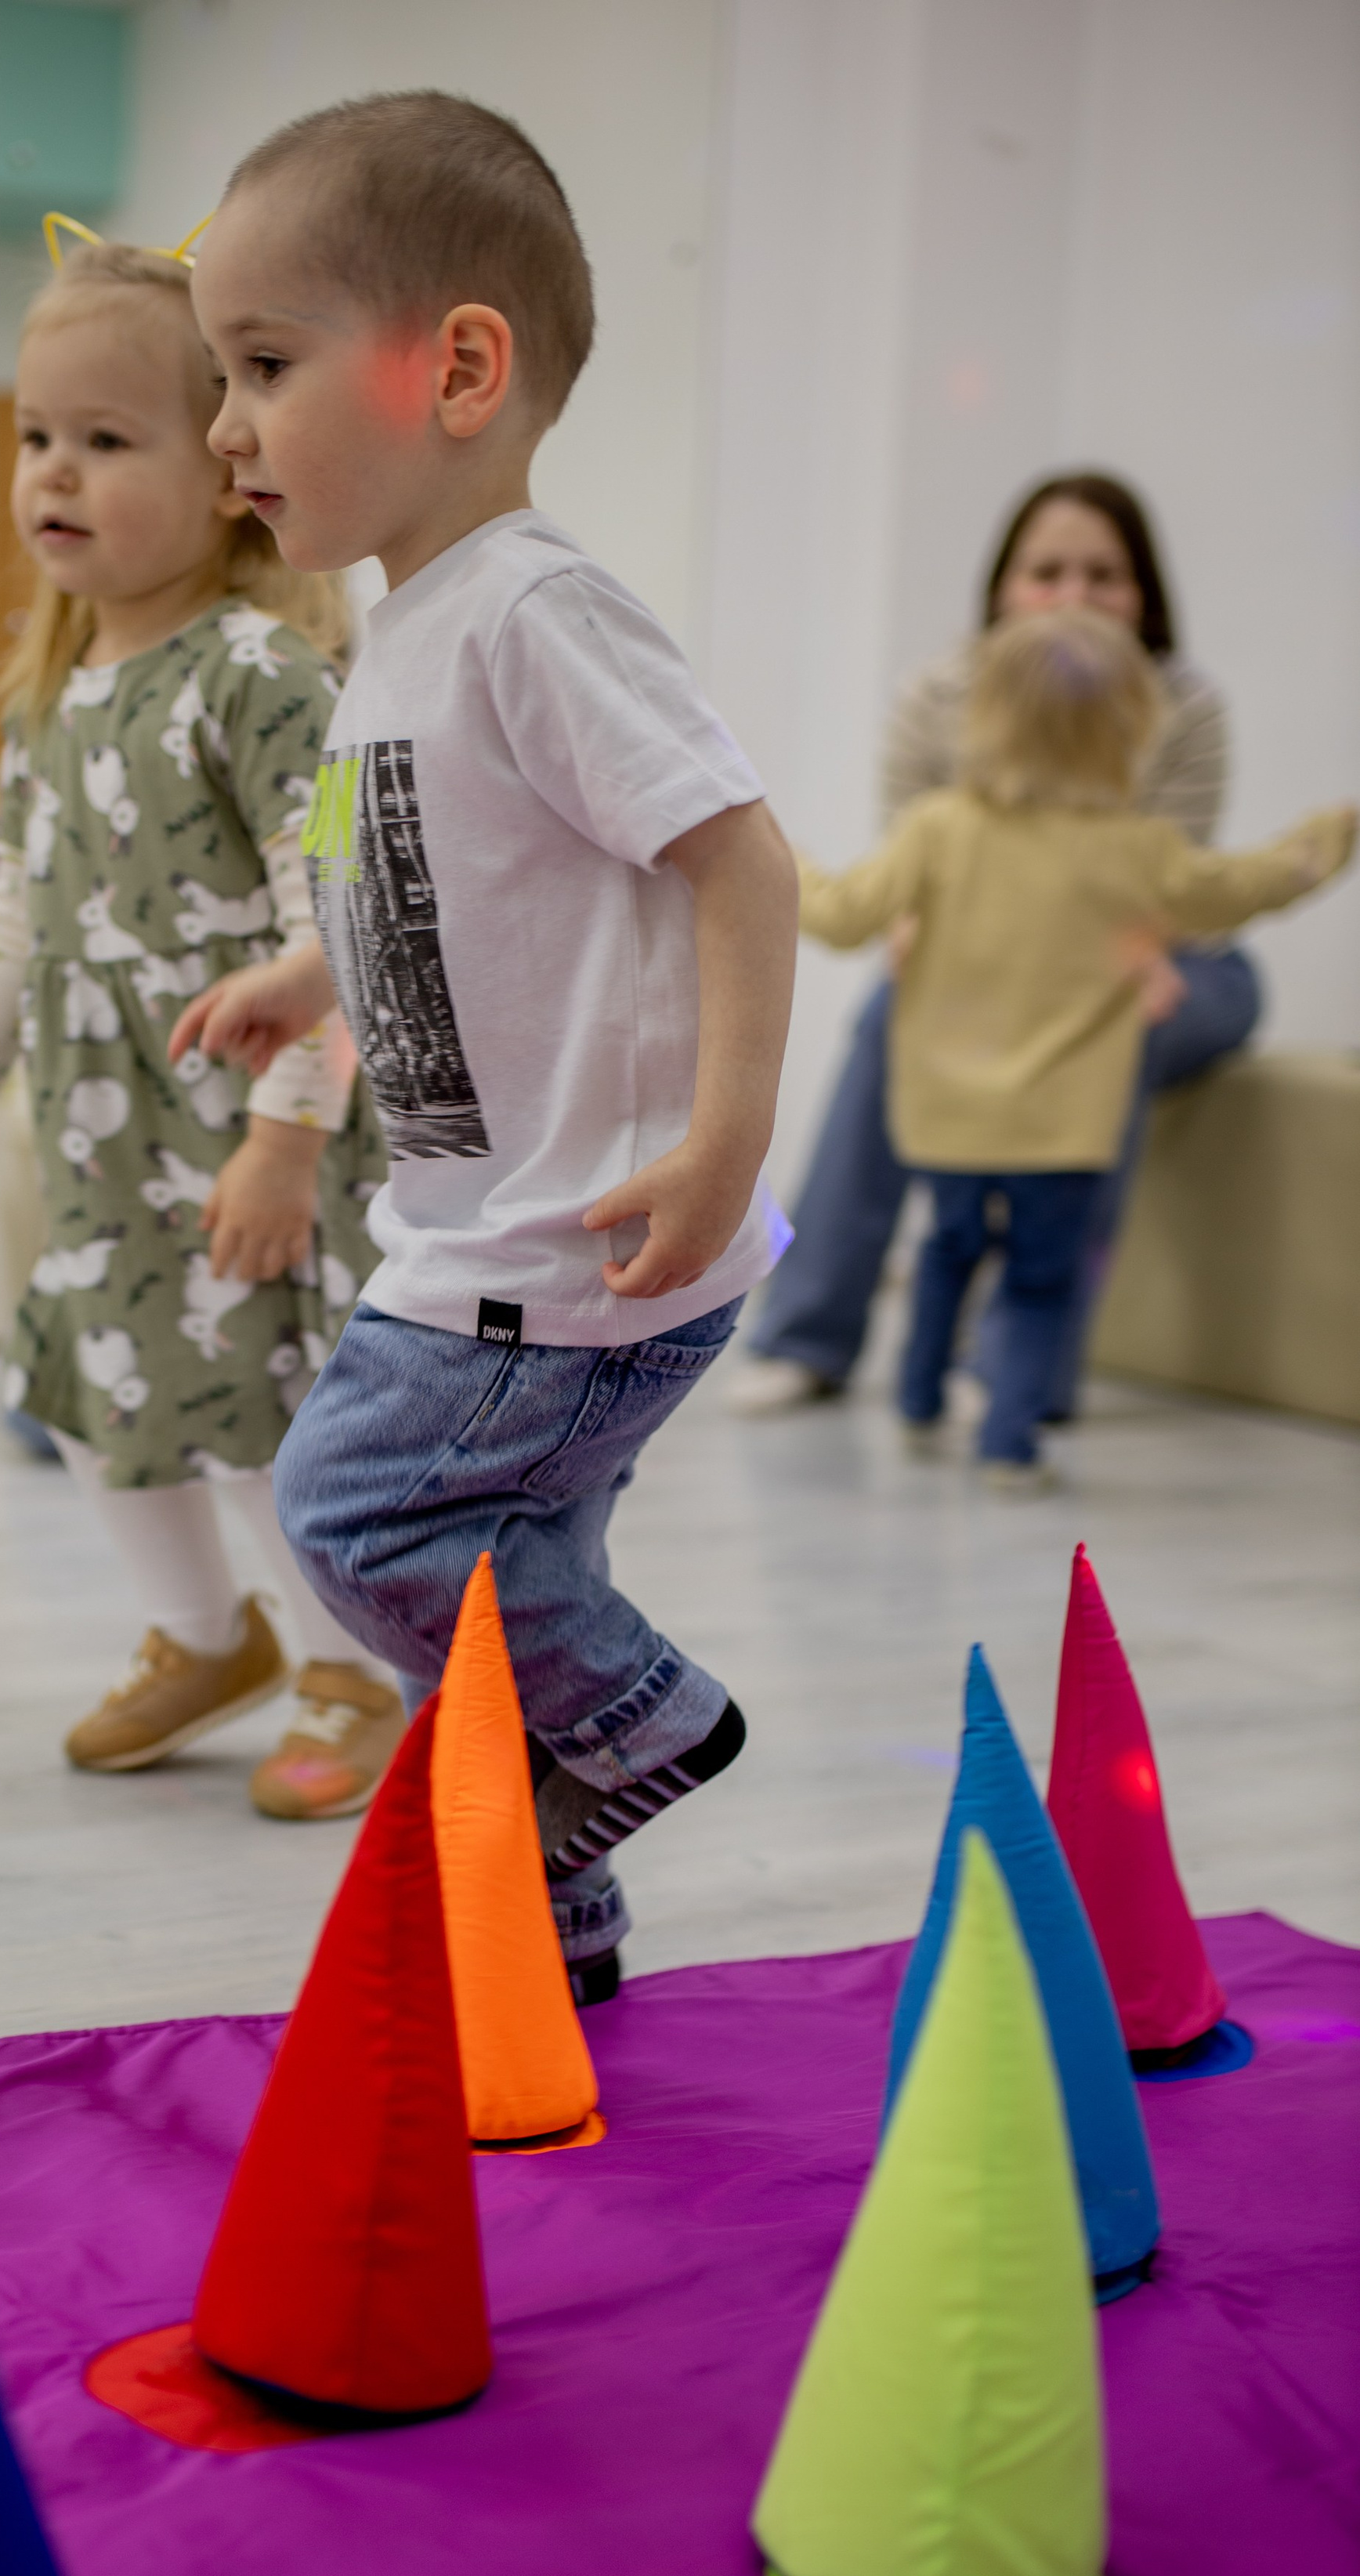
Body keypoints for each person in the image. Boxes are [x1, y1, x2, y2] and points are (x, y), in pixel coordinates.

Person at [173, 93, 798, 2002]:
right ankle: (555, 1938)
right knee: (472, 1602)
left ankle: (642, 1725)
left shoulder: (532, 607)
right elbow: (456, 908)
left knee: (351, 1503)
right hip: (495, 1237)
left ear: (453, 367)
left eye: (261, 367)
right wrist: (313, 977)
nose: (222, 429)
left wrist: (719, 1144)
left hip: (583, 1246)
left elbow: (740, 858)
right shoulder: (402, 636)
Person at [0, 235, 406, 1825]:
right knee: (94, 1396)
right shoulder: (45, 697)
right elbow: (16, 919)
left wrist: (288, 1136)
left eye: (107, 440)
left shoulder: (260, 674)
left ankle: (345, 1669)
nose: (56, 474)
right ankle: (197, 1636)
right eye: (37, 437)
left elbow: (342, 914)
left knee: (252, 1422)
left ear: (230, 472)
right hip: (101, 1140)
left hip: (245, 1134)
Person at [736, 471, 1262, 1420]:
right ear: (1001, 589)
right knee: (889, 1015)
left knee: (1114, 1032)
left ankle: (1019, 1366)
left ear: (1143, 591)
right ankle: (806, 1335)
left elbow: (1178, 886)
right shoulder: (939, 695)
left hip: (1179, 961)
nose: (1074, 596)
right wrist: (913, 937)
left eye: (1103, 574)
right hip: (1001, 957)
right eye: (1046, 571)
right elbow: (916, 865)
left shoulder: (1187, 706)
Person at [795, 607, 1353, 1487]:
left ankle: (916, 1400)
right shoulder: (1139, 851)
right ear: (1130, 733)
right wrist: (1325, 837)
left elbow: (838, 916)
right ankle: (1008, 1445)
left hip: (945, 1115)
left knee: (944, 1250)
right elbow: (1242, 890)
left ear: (981, 722)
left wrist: (769, 855)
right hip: (1062, 1126)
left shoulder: (938, 829)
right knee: (1040, 1277)